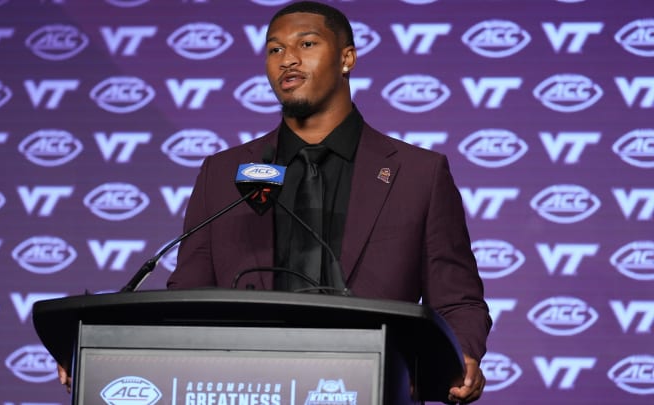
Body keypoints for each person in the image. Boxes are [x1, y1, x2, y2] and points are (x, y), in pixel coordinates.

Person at [61, 2, 491, 403]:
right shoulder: (223, 172)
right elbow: (187, 296)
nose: (287, 59)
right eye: (274, 49)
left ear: (347, 59)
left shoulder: (418, 173)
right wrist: (99, 349)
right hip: (244, 388)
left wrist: (462, 356)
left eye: (306, 44)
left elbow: (457, 300)